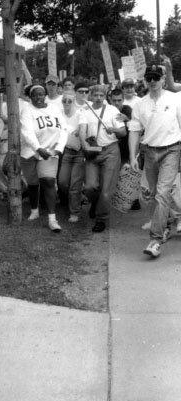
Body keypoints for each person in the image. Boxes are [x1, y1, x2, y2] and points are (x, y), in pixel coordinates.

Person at [128, 64, 181, 258]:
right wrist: (133, 154)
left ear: (163, 79)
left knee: (162, 193)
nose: (152, 81)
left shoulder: (175, 99)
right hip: (149, 152)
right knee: (153, 194)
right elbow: (134, 131)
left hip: (171, 150)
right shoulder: (140, 104)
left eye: (156, 78)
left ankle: (156, 240)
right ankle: (166, 226)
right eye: (149, 78)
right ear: (145, 80)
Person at [20, 84, 68, 231]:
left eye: (41, 94)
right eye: (35, 95)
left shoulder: (54, 108)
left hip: (50, 151)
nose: (39, 97)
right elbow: (27, 131)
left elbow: (64, 129)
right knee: (33, 182)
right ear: (30, 97)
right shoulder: (27, 110)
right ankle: (34, 210)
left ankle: (52, 219)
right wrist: (38, 148)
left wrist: (59, 149)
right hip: (30, 151)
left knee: (48, 181)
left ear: (45, 95)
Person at [79, 85, 126, 233]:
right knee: (89, 187)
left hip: (110, 151)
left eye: (101, 95)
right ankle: (96, 203)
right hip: (93, 152)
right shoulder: (84, 111)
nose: (98, 98)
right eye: (96, 95)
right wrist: (85, 146)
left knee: (106, 190)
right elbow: (82, 132)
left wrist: (114, 129)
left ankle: (101, 219)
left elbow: (123, 132)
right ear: (91, 96)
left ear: (105, 97)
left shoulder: (112, 110)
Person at [58, 92, 85, 223]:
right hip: (66, 152)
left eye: (70, 101)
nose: (67, 103)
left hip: (79, 152)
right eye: (65, 101)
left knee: (75, 185)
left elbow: (82, 126)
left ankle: (75, 212)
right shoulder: (59, 114)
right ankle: (68, 202)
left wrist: (80, 130)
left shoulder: (80, 113)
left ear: (74, 101)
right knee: (62, 182)